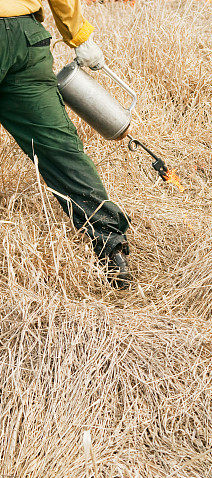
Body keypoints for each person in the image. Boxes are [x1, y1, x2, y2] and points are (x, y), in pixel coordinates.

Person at [0, 0, 132, 288]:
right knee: (58, 147)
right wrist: (79, 36)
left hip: (23, 36)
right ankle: (110, 246)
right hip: (25, 35)